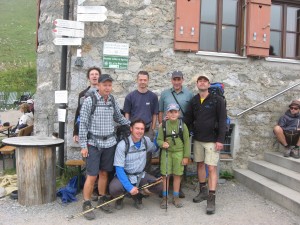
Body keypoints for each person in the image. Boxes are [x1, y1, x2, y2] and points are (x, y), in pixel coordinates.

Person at [79, 74, 130, 220]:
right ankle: (87, 203)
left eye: (109, 85)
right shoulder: (90, 101)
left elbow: (118, 117)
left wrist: (130, 124)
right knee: (92, 175)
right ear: (99, 85)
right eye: (105, 85)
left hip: (109, 143)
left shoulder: (112, 100)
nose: (107, 88)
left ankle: (102, 198)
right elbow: (82, 124)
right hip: (93, 143)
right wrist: (83, 145)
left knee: (104, 173)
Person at [184, 74, 226, 214]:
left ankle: (211, 199)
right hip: (198, 139)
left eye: (205, 81)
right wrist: (174, 123)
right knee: (200, 164)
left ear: (209, 84)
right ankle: (203, 191)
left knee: (212, 168)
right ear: (197, 84)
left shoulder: (218, 100)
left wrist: (220, 139)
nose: (202, 83)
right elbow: (188, 119)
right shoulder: (194, 100)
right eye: (200, 81)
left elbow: (222, 120)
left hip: (212, 141)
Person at [109, 119, 163, 210]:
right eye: (137, 128)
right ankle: (120, 198)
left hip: (140, 175)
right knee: (114, 188)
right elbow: (119, 169)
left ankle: (139, 195)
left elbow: (154, 148)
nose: (140, 131)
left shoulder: (145, 141)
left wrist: (159, 133)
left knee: (160, 186)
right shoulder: (122, 145)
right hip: (125, 175)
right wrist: (129, 187)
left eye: (142, 129)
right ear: (131, 129)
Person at [158, 70, 193, 198]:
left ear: (182, 80)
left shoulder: (189, 94)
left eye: (179, 79)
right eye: (174, 79)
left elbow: (191, 112)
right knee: (166, 162)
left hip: (181, 128)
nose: (177, 82)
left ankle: (179, 189)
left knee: (180, 162)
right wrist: (162, 125)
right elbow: (161, 111)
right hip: (168, 128)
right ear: (172, 80)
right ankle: (165, 191)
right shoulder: (165, 94)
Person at [123, 71, 159, 172]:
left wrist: (152, 128)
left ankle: (145, 177)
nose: (142, 82)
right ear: (137, 80)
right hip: (134, 130)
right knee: (132, 153)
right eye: (140, 80)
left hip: (147, 130)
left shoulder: (153, 97)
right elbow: (127, 113)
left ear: (148, 81)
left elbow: (155, 114)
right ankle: (132, 177)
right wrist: (128, 128)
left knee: (147, 154)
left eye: (145, 80)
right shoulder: (130, 96)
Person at [156, 103, 190, 208]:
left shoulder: (182, 125)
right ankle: (165, 198)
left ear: (178, 113)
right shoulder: (163, 125)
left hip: (179, 153)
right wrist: (162, 144)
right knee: (165, 175)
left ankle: (176, 197)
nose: (173, 114)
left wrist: (186, 157)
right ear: (167, 113)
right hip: (167, 153)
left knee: (177, 175)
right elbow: (159, 140)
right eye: (171, 112)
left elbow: (187, 142)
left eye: (175, 112)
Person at [73, 67, 101, 143]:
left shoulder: (104, 93)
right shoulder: (82, 94)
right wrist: (76, 132)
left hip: (101, 130)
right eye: (92, 74)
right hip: (87, 131)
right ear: (89, 78)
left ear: (100, 77)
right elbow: (79, 114)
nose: (94, 76)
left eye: (96, 74)